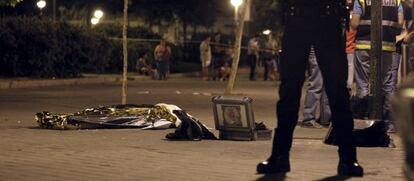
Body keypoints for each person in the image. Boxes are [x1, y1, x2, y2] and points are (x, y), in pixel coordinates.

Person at [257, 0, 364, 177]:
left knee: (337, 89)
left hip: (328, 16)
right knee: (289, 88)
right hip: (298, 15)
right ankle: (280, 155)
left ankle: (348, 157)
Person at [351, 0, 404, 129]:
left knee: (363, 84)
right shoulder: (396, 1)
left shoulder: (361, 0)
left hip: (364, 45)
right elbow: (400, 22)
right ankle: (387, 122)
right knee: (386, 85)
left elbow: (354, 24)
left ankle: (363, 120)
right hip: (386, 45)